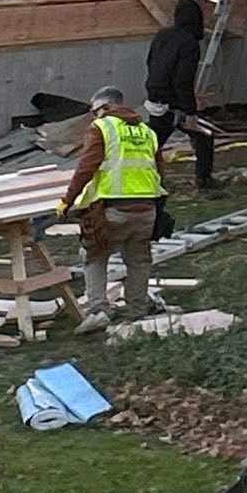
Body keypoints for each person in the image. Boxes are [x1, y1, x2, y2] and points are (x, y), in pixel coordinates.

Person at [57, 86, 171, 333]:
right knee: (139, 260)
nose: (94, 117)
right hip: (146, 209)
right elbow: (160, 172)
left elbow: (86, 168)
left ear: (106, 107)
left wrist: (67, 200)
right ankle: (136, 310)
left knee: (95, 255)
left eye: (95, 111)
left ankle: (99, 309)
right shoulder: (146, 131)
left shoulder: (103, 128)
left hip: (112, 209)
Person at [144, 0, 216, 188]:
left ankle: (147, 177)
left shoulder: (162, 36)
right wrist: (190, 111)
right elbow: (183, 80)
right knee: (204, 136)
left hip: (155, 96)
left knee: (152, 142)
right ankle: (204, 180)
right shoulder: (189, 43)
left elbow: (150, 63)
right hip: (173, 104)